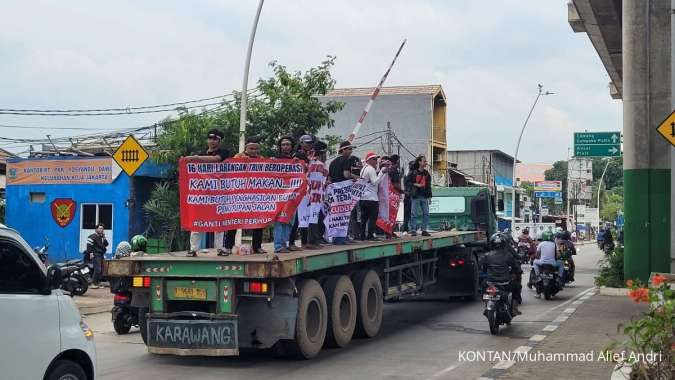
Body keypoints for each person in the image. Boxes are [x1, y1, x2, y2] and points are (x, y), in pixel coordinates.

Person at [185, 129, 230, 257]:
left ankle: (220, 249)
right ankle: (193, 249)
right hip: (203, 194)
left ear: (220, 141)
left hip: (219, 193)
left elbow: (216, 159)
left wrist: (195, 158)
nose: (212, 141)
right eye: (210, 138)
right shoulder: (201, 153)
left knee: (219, 223)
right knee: (197, 221)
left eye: (215, 139)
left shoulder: (224, 152)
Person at [224, 137, 266, 254]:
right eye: (251, 148)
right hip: (239, 196)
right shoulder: (238, 157)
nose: (253, 151)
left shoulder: (262, 159)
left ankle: (257, 247)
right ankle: (228, 247)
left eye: (256, 149)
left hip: (255, 196)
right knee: (234, 221)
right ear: (246, 147)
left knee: (258, 222)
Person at [480, 232, 522, 315]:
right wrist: (518, 271)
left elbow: (483, 268)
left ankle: (486, 306)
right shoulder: (508, 255)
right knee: (518, 286)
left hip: (490, 283)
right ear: (504, 244)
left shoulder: (487, 255)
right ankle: (514, 308)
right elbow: (515, 267)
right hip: (505, 283)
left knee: (483, 287)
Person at [273, 136, 303, 253]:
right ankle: (278, 246)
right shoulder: (274, 160)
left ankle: (284, 244)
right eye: (283, 144)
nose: (286, 146)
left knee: (289, 220)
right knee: (279, 221)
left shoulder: (296, 160)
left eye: (288, 144)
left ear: (292, 146)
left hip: (292, 196)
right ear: (280, 147)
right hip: (279, 196)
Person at [328, 141, 360, 244]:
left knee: (336, 214)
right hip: (344, 191)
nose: (351, 151)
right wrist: (355, 177)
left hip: (334, 191)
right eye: (349, 149)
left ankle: (336, 238)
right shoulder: (347, 160)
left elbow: (330, 178)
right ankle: (343, 237)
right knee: (345, 214)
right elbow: (346, 174)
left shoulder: (332, 162)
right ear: (343, 149)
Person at [289, 134, 315, 250]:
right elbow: (296, 170)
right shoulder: (298, 155)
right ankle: (291, 243)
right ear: (301, 143)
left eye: (310, 143)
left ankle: (304, 242)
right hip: (298, 189)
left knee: (304, 216)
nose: (309, 145)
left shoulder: (307, 156)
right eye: (307, 143)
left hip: (306, 189)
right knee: (297, 217)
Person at [360, 152, 386, 241]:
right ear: (369, 160)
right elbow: (375, 182)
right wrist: (381, 172)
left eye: (376, 159)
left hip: (363, 197)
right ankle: (370, 235)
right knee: (372, 217)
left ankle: (362, 235)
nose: (376, 161)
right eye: (374, 159)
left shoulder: (364, 169)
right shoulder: (370, 169)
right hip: (371, 198)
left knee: (364, 218)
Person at [405, 155, 432, 236]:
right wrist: (416, 184)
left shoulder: (426, 173)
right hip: (416, 195)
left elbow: (428, 186)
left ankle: (424, 230)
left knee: (426, 213)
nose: (426, 162)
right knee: (414, 213)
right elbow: (407, 182)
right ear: (419, 162)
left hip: (424, 195)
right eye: (424, 161)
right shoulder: (413, 172)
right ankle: (413, 229)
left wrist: (430, 196)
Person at [86, 223, 109, 289]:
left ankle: (97, 283)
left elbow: (106, 244)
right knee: (97, 269)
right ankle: (93, 283)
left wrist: (104, 237)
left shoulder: (101, 237)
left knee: (101, 270)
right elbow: (89, 246)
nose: (101, 230)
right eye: (100, 228)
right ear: (96, 229)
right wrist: (90, 253)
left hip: (101, 254)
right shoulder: (92, 236)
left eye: (102, 228)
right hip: (96, 255)